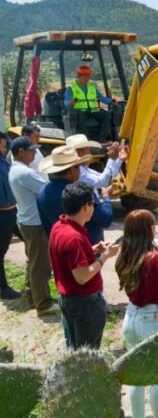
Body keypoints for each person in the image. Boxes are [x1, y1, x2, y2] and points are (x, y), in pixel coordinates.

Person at [116, 209, 158, 418]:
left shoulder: (124, 256)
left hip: (131, 317)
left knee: (136, 377)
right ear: (150, 230)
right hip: (155, 319)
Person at [50, 181, 119, 348]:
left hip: (67, 299)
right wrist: (104, 257)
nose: (94, 207)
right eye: (93, 204)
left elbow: (68, 258)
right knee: (87, 354)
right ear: (85, 207)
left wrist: (92, 250)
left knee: (74, 349)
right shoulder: (74, 238)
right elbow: (82, 277)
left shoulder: (59, 226)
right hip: (84, 303)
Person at [9, 136, 57, 315]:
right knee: (41, 266)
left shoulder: (16, 169)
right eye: (32, 150)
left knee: (33, 262)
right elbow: (47, 190)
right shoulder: (25, 173)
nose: (35, 153)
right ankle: (43, 304)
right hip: (35, 224)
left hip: (26, 221)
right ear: (21, 152)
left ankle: (32, 296)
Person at [38, 146, 112, 245]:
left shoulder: (42, 192)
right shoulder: (81, 192)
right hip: (87, 248)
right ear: (72, 170)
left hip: (61, 247)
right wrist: (106, 197)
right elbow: (105, 219)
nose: (80, 171)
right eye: (78, 167)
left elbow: (47, 228)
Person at [64, 65, 115, 142]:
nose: (87, 79)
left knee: (106, 115)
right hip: (80, 112)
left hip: (93, 112)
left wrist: (112, 101)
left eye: (88, 77)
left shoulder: (92, 88)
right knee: (80, 116)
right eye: (84, 77)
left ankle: (102, 138)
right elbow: (66, 102)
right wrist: (70, 103)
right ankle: (86, 140)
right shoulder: (71, 89)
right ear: (79, 76)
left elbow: (102, 98)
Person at [0, 132, 21, 299]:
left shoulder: (3, 161)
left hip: (13, 211)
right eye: (2, 145)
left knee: (31, 240)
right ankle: (3, 288)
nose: (5, 148)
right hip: (3, 214)